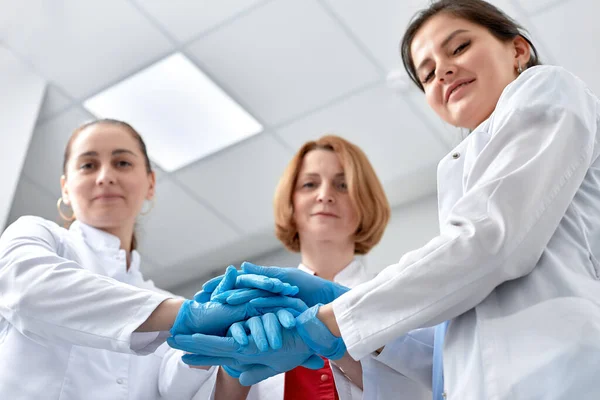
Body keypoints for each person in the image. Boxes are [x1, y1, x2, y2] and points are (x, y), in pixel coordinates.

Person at [169, 1, 600, 399]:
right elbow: (438, 362)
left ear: (519, 50)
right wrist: (335, 314)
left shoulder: (547, 88)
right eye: (427, 73)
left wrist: (331, 321)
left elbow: (490, 241)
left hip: (555, 372)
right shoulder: (460, 169)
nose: (443, 72)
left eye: (460, 47)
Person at [0, 119, 294, 399]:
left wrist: (227, 346)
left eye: (122, 163)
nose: (106, 176)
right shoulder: (38, 236)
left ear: (150, 183)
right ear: (66, 187)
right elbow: (30, 290)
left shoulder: (158, 298)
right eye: (88, 165)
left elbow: (176, 391)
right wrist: (188, 314)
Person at [171, 136, 435, 399]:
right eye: (310, 184)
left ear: (364, 202)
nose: (325, 195)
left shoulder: (394, 294)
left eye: (343, 185)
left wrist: (338, 344)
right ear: (291, 203)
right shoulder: (256, 304)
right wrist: (235, 363)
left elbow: (426, 386)